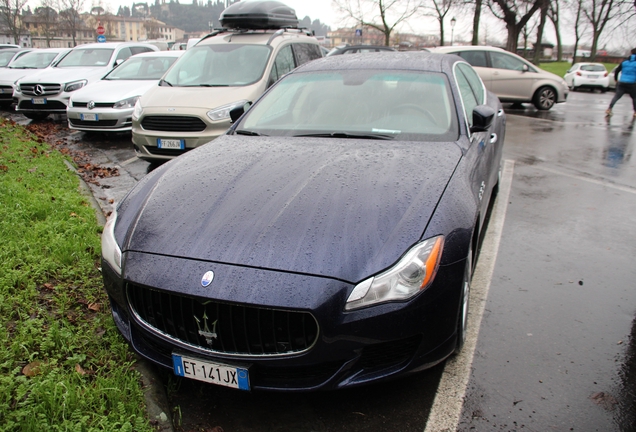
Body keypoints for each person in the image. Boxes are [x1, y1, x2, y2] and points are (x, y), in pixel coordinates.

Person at [606, 48, 636, 117]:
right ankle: (635, 112)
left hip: (622, 82)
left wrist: (616, 79)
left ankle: (609, 108)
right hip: (632, 83)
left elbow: (617, 71)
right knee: (634, 97)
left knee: (617, 96)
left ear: (631, 53)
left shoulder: (624, 62)